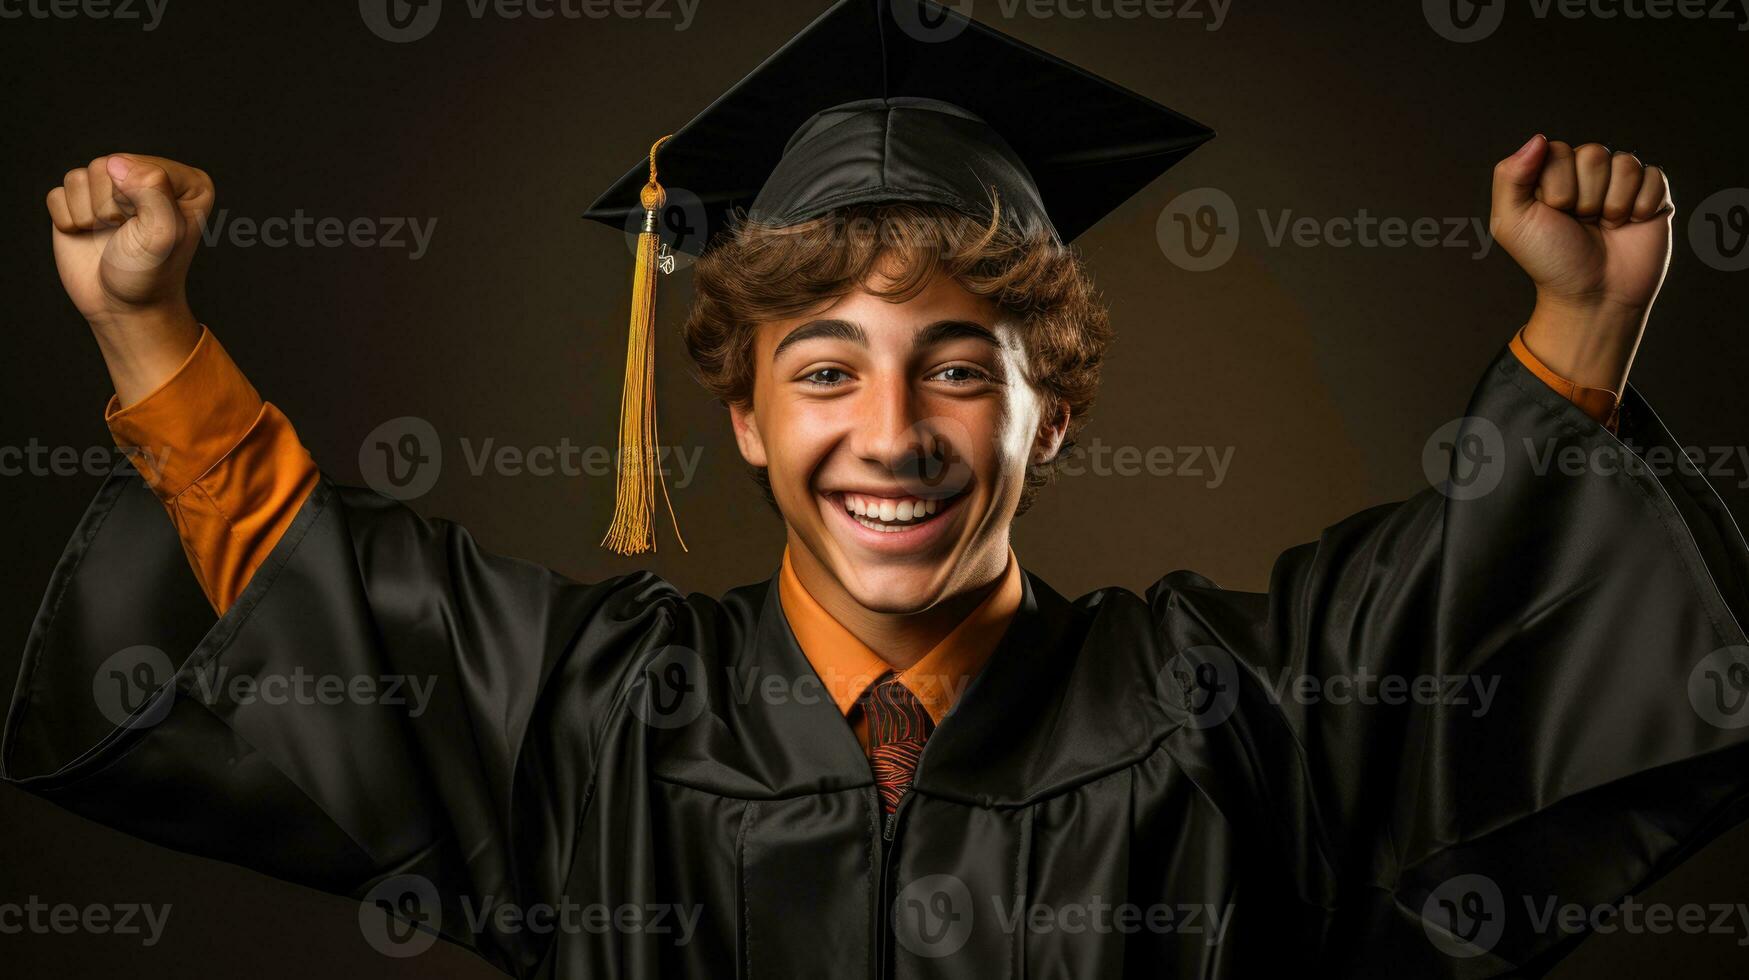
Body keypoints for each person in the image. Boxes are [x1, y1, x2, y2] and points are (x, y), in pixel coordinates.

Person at [7, 1, 1749, 977]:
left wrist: (1581, 319)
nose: (892, 431)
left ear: (1048, 414)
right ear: (749, 423)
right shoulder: (596, 723)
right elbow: (306, 578)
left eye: (960, 366)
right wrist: (149, 325)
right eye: (824, 370)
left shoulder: (1228, 712)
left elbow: (1468, 603)